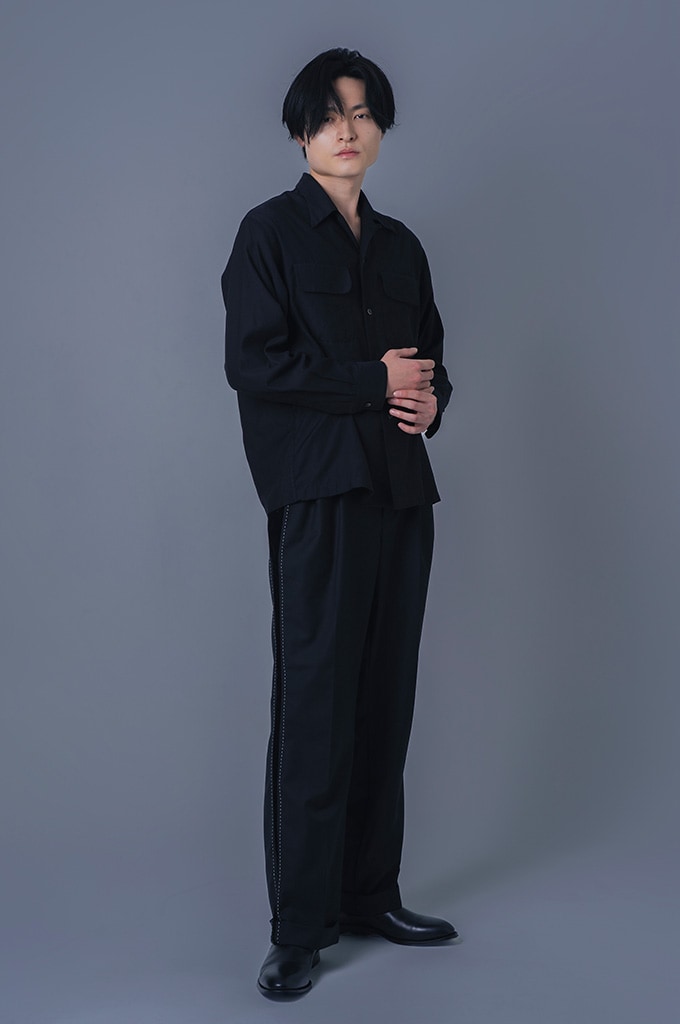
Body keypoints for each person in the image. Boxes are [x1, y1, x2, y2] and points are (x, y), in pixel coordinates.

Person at [221, 47, 456, 999]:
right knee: (315, 709)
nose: (346, 131)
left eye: (361, 113)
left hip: (401, 493)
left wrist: (433, 403)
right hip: (318, 497)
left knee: (384, 703)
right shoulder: (268, 235)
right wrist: (372, 381)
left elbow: (430, 359)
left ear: (380, 128)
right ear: (300, 132)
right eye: (328, 115)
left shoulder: (400, 246)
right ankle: (300, 928)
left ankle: (371, 895)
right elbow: (254, 365)